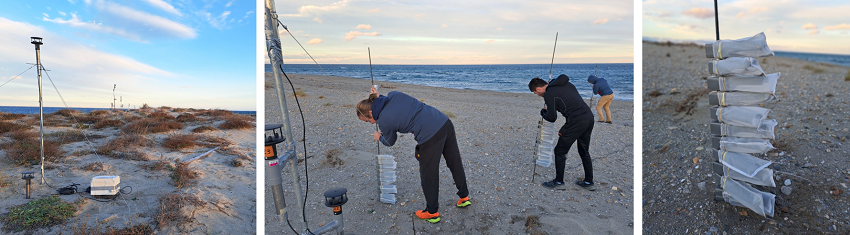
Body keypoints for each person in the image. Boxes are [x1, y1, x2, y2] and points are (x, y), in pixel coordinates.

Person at [356, 87, 470, 224]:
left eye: (368, 120)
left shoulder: (383, 121)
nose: (371, 123)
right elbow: (386, 102)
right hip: (443, 121)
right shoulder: (393, 95)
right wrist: (377, 95)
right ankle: (464, 197)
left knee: (429, 174)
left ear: (370, 112)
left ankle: (432, 212)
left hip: (430, 135)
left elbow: (390, 141)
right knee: (454, 161)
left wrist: (378, 137)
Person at [528, 75, 596, 191]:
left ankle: (559, 182)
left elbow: (552, 117)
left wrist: (543, 113)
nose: (537, 95)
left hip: (576, 121)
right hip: (588, 117)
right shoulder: (563, 83)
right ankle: (589, 181)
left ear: (538, 89)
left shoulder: (549, 94)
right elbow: (564, 79)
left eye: (535, 93)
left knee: (559, 151)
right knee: (584, 150)